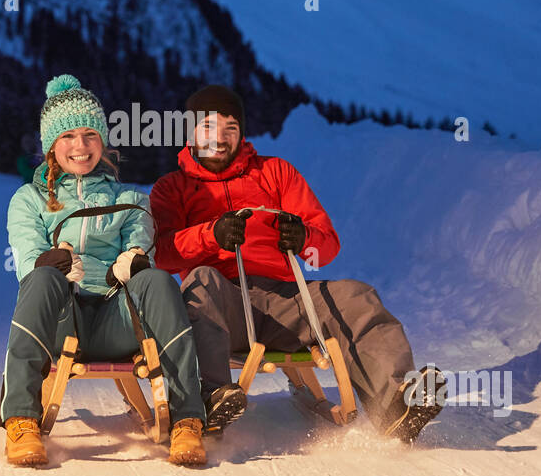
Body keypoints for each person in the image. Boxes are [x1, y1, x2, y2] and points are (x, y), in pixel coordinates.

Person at [150, 84, 445, 442]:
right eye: (208, 127)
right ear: (190, 131)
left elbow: (327, 247)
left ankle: (395, 403)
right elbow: (162, 255)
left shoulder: (276, 173)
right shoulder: (171, 188)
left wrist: (304, 238)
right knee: (200, 281)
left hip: (287, 300)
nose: (220, 138)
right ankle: (212, 397)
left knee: (355, 296)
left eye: (230, 128)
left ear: (242, 132)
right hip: (224, 307)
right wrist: (211, 235)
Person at [1, 74, 208, 466]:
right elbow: (28, 262)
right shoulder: (28, 200)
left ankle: (187, 420)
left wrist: (133, 261)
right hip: (62, 321)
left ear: (103, 141)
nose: (80, 146)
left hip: (120, 321)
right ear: (51, 146)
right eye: (68, 137)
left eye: (90, 135)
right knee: (41, 278)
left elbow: (141, 242)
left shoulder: (131, 199)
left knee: (159, 280)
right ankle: (20, 420)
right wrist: (53, 262)